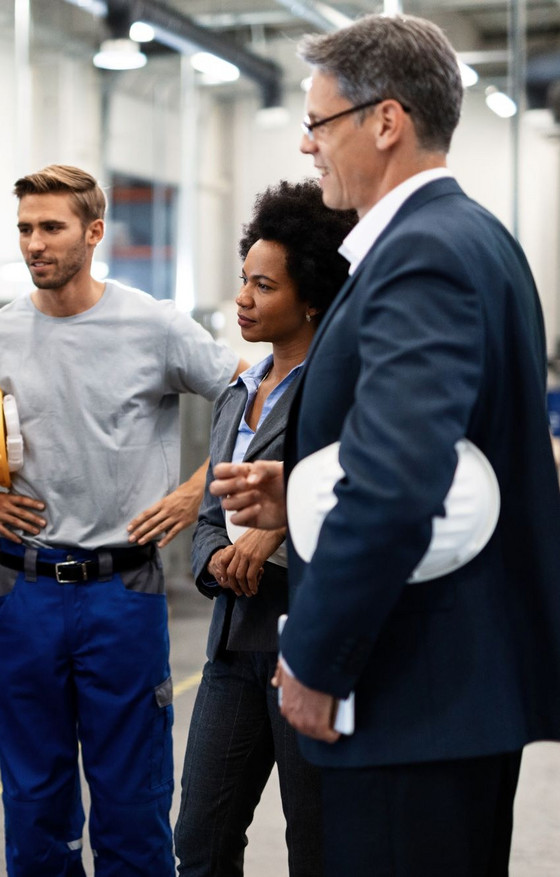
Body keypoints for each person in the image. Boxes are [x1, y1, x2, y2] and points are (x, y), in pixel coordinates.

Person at [209, 15, 560, 876]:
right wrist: (301, 487)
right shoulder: (468, 238)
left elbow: (397, 481)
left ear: (385, 122)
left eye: (319, 124)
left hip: (414, 692)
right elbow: (432, 449)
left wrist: (317, 656)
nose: (310, 150)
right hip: (444, 694)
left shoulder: (422, 254)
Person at [0, 164, 242, 876]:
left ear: (94, 232)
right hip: (24, 591)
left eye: (51, 227)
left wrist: (201, 490)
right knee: (35, 800)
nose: (34, 243)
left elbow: (250, 397)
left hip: (121, 592)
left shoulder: (154, 325)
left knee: (132, 801)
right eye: (24, 228)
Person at [176, 181, 356, 877]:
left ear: (310, 296)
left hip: (302, 631)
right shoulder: (237, 390)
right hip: (232, 639)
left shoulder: (337, 392)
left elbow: (350, 502)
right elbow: (208, 510)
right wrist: (217, 555)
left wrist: (273, 541)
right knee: (202, 834)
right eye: (243, 280)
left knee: (314, 839)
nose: (244, 298)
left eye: (263, 285)